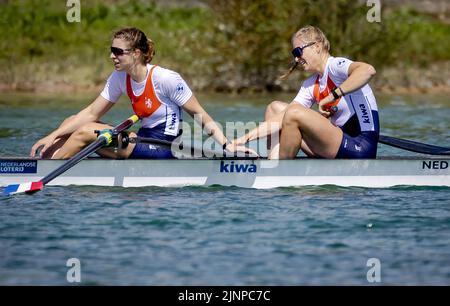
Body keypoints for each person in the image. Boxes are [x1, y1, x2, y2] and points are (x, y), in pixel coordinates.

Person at [30, 27, 252, 159]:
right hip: (142, 139)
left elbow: (200, 114)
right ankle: (47, 160)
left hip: (164, 147)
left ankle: (50, 169)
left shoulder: (165, 78)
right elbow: (90, 112)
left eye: (118, 52)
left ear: (136, 54)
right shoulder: (119, 77)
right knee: (73, 123)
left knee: (85, 132)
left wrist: (227, 145)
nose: (112, 56)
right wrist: (53, 135)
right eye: (111, 51)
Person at [231, 25, 379, 159]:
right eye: (294, 53)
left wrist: (331, 96)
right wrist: (243, 139)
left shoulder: (335, 66)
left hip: (361, 145)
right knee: (275, 108)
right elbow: (282, 117)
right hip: (337, 141)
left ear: (317, 46)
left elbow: (368, 70)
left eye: (298, 51)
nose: (296, 58)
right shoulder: (311, 84)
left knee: (294, 112)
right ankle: (274, 160)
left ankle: (280, 168)